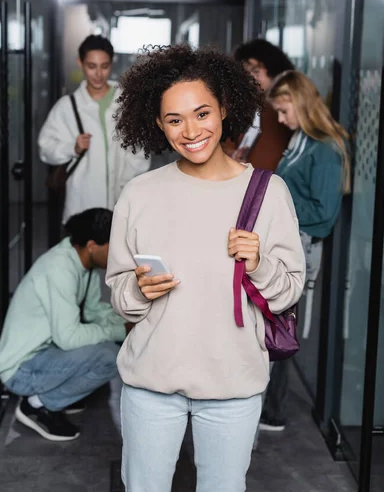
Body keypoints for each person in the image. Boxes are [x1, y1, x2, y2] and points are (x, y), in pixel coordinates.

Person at [105, 44, 306, 492]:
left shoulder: (268, 192)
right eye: (174, 119)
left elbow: (289, 292)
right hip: (151, 384)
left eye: (202, 113)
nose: (191, 130)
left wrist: (258, 264)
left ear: (225, 108)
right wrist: (140, 291)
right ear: (158, 123)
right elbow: (119, 295)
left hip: (233, 386)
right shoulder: (140, 194)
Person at [262, 70, 350, 432]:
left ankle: (273, 411)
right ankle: (269, 408)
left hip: (297, 249)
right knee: (273, 325)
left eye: (284, 111)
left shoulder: (325, 148)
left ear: (300, 104)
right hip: (284, 243)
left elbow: (324, 216)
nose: (281, 120)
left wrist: (280, 204)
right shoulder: (302, 139)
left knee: (278, 329)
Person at [0, 208, 126, 442]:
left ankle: (57, 394)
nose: (120, 255)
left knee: (111, 339)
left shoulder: (84, 266)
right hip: (21, 369)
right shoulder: (59, 269)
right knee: (111, 357)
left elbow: (94, 312)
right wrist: (120, 331)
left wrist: (129, 323)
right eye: (114, 248)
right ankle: (37, 405)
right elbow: (69, 338)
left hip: (45, 352)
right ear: (93, 245)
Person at [38, 34, 150, 224]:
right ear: (80, 63)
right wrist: (71, 148)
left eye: (104, 66)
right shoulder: (67, 106)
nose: (98, 74)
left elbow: (140, 150)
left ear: (111, 64)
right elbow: (45, 148)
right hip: (82, 204)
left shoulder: (127, 103)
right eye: (91, 66)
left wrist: (127, 186)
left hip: (121, 202)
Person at [222, 39, 294, 170]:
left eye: (256, 71)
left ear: (273, 69)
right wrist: (232, 154)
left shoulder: (290, 108)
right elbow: (225, 143)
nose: (250, 78)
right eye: (245, 73)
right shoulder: (239, 104)